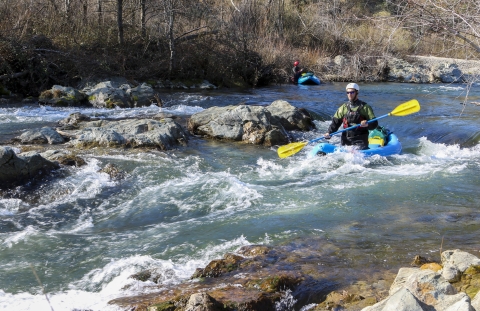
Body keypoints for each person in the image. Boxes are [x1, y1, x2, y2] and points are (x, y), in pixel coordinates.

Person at [324, 83, 378, 150]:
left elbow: (374, 124)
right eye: (348, 92)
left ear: (357, 92)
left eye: (352, 92)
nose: (350, 94)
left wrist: (367, 124)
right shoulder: (343, 107)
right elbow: (335, 123)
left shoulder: (365, 107)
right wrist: (329, 132)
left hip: (360, 141)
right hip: (346, 140)